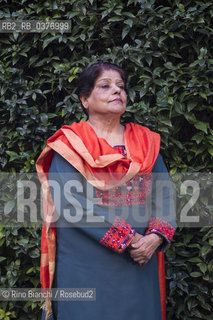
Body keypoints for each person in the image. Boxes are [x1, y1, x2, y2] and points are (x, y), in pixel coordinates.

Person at [36, 62, 176, 320]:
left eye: (121, 87)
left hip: (139, 265)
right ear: (85, 99)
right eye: (105, 86)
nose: (117, 91)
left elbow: (165, 195)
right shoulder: (69, 145)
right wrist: (131, 239)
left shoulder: (145, 143)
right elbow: (70, 204)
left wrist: (155, 238)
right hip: (86, 265)